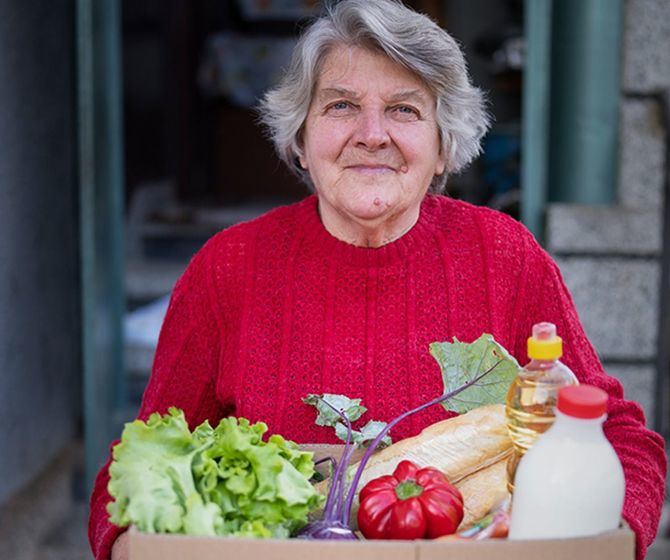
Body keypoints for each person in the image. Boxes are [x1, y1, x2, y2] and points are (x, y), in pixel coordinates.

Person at [89, 1, 667, 559]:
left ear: (443, 147)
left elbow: (621, 439)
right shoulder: (228, 269)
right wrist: (134, 545)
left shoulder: (505, 257)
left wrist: (612, 541)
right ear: (300, 139)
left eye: (405, 110)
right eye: (341, 105)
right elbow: (140, 466)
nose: (372, 134)